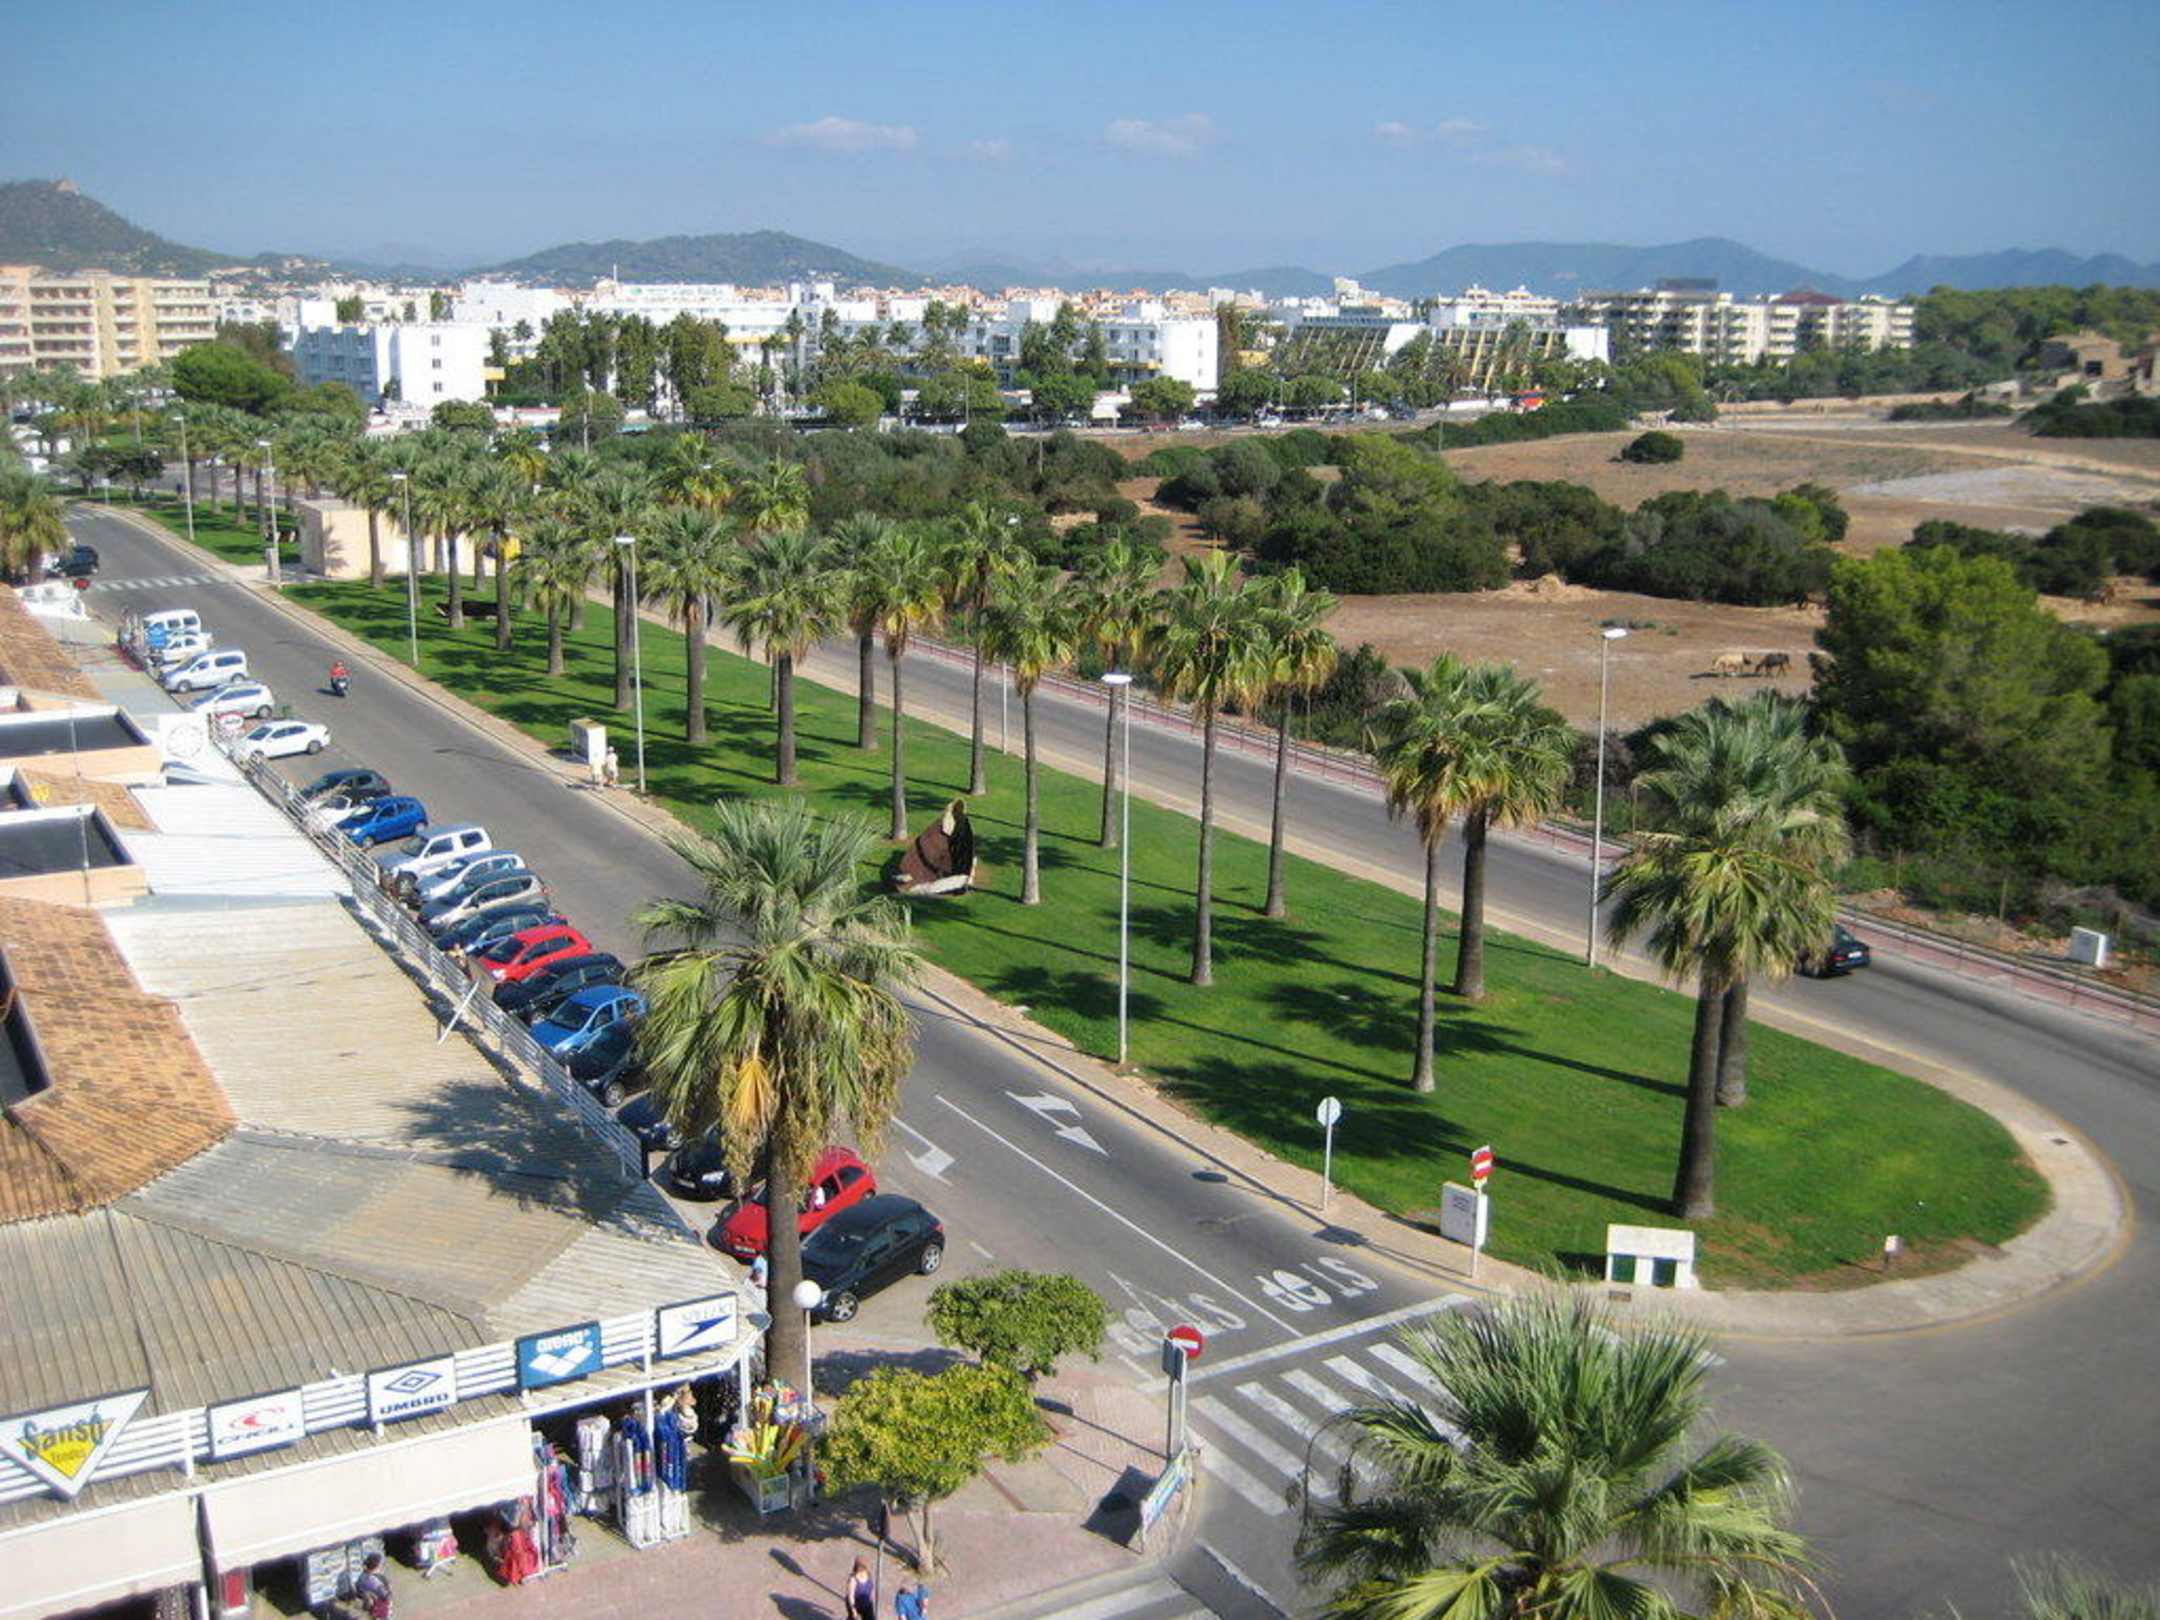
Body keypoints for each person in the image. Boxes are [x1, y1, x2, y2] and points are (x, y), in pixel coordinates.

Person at [355, 1551, 393, 1620]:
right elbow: (386, 1597)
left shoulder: (361, 1576)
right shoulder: (373, 1581)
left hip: (369, 1609)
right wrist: (389, 1588)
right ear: (378, 1566)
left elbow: (359, 1591)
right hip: (379, 1612)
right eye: (381, 1564)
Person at [846, 1556, 876, 1620]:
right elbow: (851, 1596)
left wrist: (871, 1597)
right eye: (863, 1568)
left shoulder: (868, 1574)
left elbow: (871, 1587)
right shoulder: (853, 1579)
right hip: (856, 1604)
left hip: (867, 1604)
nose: (864, 1570)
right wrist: (853, 1610)